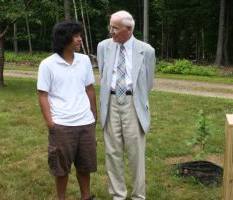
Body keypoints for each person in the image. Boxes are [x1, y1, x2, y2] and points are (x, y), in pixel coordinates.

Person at [97, 10, 156, 200]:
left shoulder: (146, 50)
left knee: (135, 152)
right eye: (110, 27)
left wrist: (134, 98)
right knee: (112, 151)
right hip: (111, 101)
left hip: (133, 103)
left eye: (114, 28)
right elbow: (104, 76)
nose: (111, 31)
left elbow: (148, 82)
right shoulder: (103, 46)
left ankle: (138, 195)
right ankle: (118, 195)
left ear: (128, 29)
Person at [37, 21, 97, 200]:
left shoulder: (85, 60)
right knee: (61, 169)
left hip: (85, 123)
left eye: (80, 35)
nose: (80, 39)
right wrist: (51, 124)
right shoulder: (48, 64)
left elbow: (89, 89)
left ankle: (86, 197)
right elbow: (42, 95)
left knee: (85, 166)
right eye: (76, 36)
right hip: (62, 125)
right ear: (65, 38)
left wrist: (93, 116)